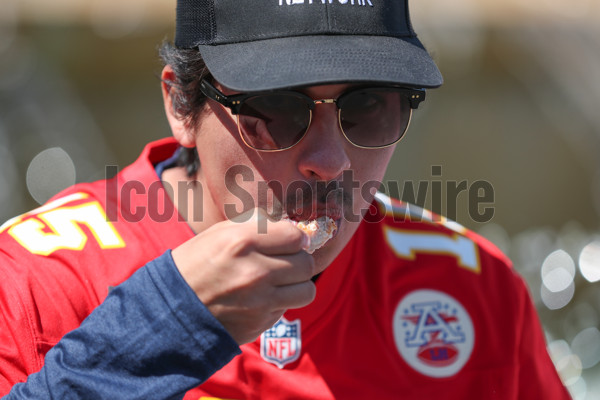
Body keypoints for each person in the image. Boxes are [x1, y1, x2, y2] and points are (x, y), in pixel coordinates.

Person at [0, 0, 570, 399]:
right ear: (180, 104)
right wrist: (164, 323)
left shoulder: (471, 290)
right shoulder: (34, 285)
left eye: (370, 107)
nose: (332, 161)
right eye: (277, 110)